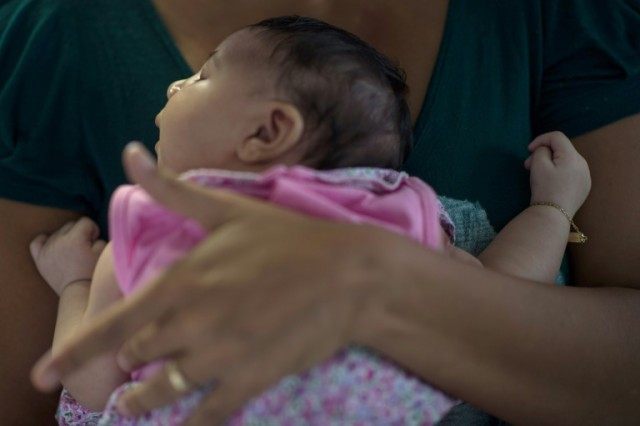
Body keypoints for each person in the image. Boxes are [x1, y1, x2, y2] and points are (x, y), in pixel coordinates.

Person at [0, 0, 637, 423]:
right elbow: (506, 290)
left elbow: (88, 377)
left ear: (268, 131)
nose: (174, 86)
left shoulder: (150, 227)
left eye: (198, 79)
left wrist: (77, 281)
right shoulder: (400, 205)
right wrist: (553, 207)